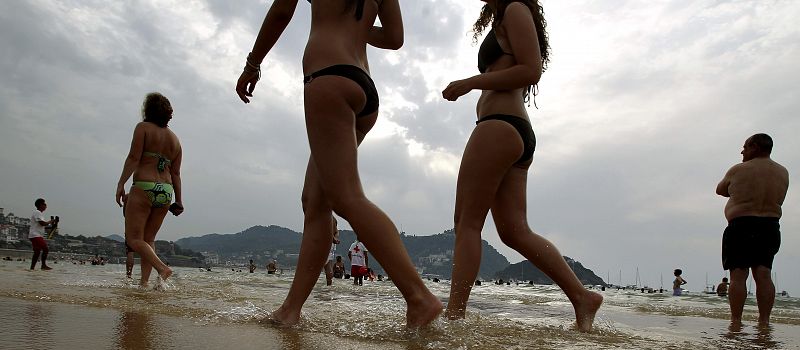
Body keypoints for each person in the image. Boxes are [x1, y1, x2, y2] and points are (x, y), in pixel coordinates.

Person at [236, 0, 442, 327]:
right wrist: (357, 28)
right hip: (364, 86)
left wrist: (252, 64)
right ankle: (290, 311)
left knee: (347, 198)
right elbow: (394, 37)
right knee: (315, 201)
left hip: (328, 74)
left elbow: (280, 11)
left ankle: (419, 298)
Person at [441, 0, 602, 331]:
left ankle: (454, 317)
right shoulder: (507, 15)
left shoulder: (514, 8)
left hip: (499, 126)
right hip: (512, 130)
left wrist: (471, 82)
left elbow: (531, 69)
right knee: (515, 231)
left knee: (467, 224)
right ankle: (581, 296)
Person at [716, 133, 789, 325]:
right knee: (763, 274)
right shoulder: (783, 172)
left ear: (755, 147)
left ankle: (736, 320)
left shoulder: (738, 170)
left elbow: (721, 190)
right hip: (770, 225)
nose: (742, 151)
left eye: (745, 147)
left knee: (738, 275)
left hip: (741, 225)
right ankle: (764, 321)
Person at [115, 92, 184, 287]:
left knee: (133, 239)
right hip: (166, 191)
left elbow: (134, 158)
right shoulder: (175, 140)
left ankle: (162, 268)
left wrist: (121, 183)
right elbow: (176, 174)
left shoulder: (143, 128)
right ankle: (144, 283)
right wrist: (179, 200)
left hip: (144, 186)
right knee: (148, 239)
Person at [28, 198, 55, 270]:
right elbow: (42, 223)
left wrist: (52, 227)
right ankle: (43, 265)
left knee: (37, 252)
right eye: (44, 204)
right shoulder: (37, 212)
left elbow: (41, 226)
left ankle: (32, 268)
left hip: (34, 235)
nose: (46, 206)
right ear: (41, 205)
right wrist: (50, 221)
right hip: (35, 235)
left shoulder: (39, 214)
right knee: (45, 249)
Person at [323, 217, 340, 285]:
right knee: (328, 265)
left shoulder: (326, 217)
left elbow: (327, 230)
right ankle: (329, 285)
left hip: (324, 243)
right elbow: (336, 232)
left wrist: (333, 238)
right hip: (331, 245)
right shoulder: (333, 219)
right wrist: (335, 238)